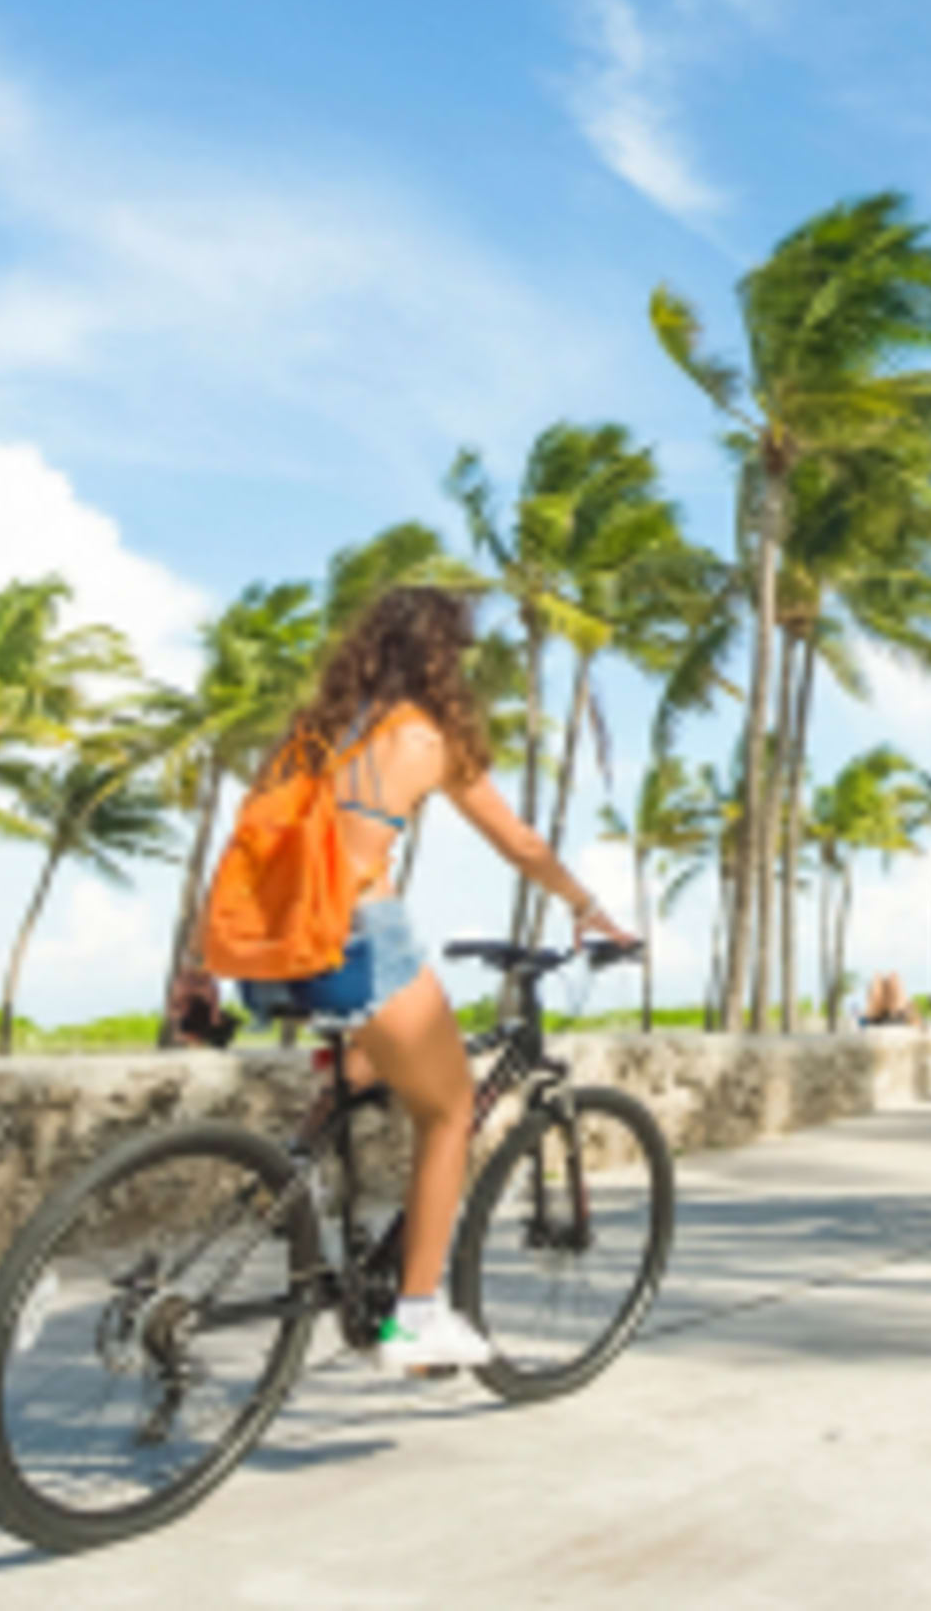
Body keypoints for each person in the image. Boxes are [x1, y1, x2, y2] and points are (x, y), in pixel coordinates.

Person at [222, 586, 626, 1376]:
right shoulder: (427, 737)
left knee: (372, 1060)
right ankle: (414, 1319)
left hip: (268, 949)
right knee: (448, 1113)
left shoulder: (312, 732)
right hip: (355, 941)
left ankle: (290, 1178)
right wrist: (587, 908)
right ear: (444, 659)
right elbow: (518, 841)